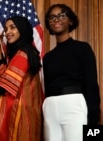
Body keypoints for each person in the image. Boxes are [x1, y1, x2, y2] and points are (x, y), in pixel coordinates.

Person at [42, 4, 101, 141]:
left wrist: (94, 119)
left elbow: (91, 84)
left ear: (71, 21)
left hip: (74, 104)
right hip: (50, 107)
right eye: (52, 17)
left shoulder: (82, 49)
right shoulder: (47, 58)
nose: (56, 19)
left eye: (61, 15)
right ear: (49, 23)